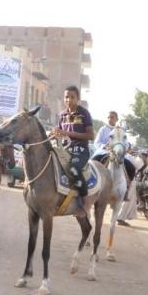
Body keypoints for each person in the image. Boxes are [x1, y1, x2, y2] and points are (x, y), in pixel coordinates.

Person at [52, 86, 94, 216]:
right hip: (65, 149)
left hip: (80, 150)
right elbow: (60, 133)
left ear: (78, 99)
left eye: (72, 97)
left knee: (74, 168)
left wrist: (66, 132)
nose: (68, 99)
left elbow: (90, 136)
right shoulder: (62, 114)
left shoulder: (84, 113)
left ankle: (86, 204)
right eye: (66, 97)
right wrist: (54, 134)